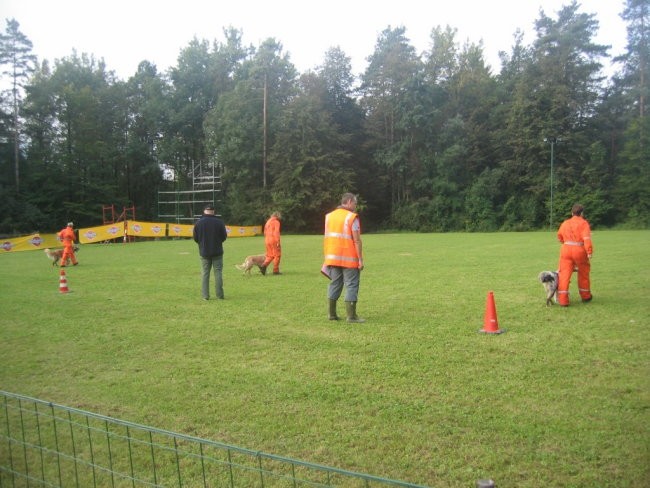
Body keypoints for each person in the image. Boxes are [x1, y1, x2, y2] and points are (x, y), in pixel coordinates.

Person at [323, 193, 365, 323]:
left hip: (332, 257)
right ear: (349, 201)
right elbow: (356, 240)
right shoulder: (352, 217)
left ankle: (332, 314)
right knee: (351, 285)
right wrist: (360, 259)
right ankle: (351, 316)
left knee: (335, 283)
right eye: (355, 203)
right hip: (349, 258)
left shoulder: (329, 216)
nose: (355, 206)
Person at [556, 203, 593, 306]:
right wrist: (589, 251)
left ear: (572, 213)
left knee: (564, 274)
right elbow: (586, 238)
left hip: (566, 249)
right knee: (583, 273)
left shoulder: (565, 223)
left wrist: (565, 242)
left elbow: (559, 235)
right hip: (579, 250)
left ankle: (563, 300)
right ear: (581, 213)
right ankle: (585, 296)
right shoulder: (584, 223)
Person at [193, 205, 228, 300]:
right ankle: (220, 295)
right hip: (217, 252)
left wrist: (202, 244)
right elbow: (224, 237)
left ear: (204, 211)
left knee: (205, 274)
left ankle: (205, 296)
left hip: (204, 252)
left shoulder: (198, 223)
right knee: (218, 273)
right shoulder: (219, 222)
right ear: (213, 211)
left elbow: (196, 238)